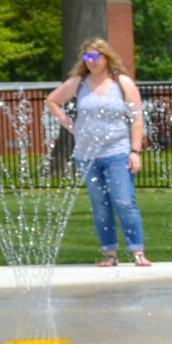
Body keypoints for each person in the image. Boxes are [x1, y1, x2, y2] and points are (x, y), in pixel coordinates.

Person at [44, 39, 149, 267]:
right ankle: (110, 253)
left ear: (106, 57)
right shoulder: (79, 82)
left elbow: (137, 119)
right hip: (87, 155)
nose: (90, 61)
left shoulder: (122, 83)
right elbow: (52, 101)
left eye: (94, 56)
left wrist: (135, 151)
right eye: (86, 57)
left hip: (118, 151)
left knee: (124, 201)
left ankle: (137, 251)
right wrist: (72, 126)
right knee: (100, 204)